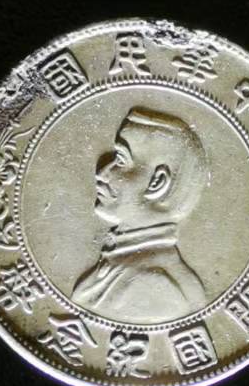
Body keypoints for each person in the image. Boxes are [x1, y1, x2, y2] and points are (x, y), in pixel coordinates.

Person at [72, 108, 210, 323]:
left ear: (157, 183)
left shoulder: (153, 287)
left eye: (120, 160)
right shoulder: (123, 265)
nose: (102, 172)